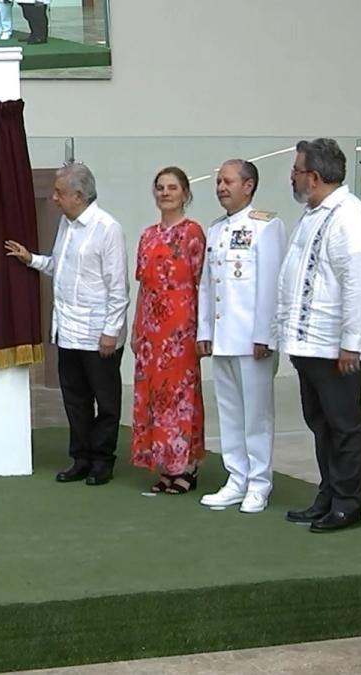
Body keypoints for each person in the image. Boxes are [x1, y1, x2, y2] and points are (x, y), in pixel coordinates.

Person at [273, 138, 361, 533]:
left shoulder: (349, 218)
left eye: (296, 171)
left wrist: (351, 343)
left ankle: (347, 504)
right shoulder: (314, 214)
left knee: (344, 426)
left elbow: (357, 286)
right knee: (321, 424)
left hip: (335, 348)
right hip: (309, 343)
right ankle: (329, 493)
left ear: (314, 177)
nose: (292, 177)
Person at [5, 163, 129, 486]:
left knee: (106, 399)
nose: (54, 197)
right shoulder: (66, 225)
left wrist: (111, 332)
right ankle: (81, 457)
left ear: (79, 195)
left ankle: (103, 459)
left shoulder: (107, 228)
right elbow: (59, 267)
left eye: (60, 192)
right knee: (74, 398)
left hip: (98, 333)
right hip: (68, 330)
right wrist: (30, 259)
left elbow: (118, 287)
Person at [196, 160, 287, 514]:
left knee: (257, 416)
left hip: (253, 341)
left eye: (228, 181)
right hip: (224, 338)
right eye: (218, 181)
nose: (220, 187)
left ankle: (259, 483)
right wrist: (205, 331)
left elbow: (270, 285)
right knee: (230, 413)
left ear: (248, 186)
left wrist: (266, 334)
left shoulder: (266, 226)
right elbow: (208, 286)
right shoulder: (216, 229)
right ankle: (236, 478)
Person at [130, 167, 206, 494]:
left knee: (181, 395)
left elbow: (202, 283)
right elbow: (143, 287)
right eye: (160, 188)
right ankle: (164, 464)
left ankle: (187, 465)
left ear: (185, 193)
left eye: (172, 188)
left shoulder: (193, 233)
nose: (165, 193)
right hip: (151, 328)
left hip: (181, 325)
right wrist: (136, 327)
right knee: (155, 396)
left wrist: (202, 329)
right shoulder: (147, 235)